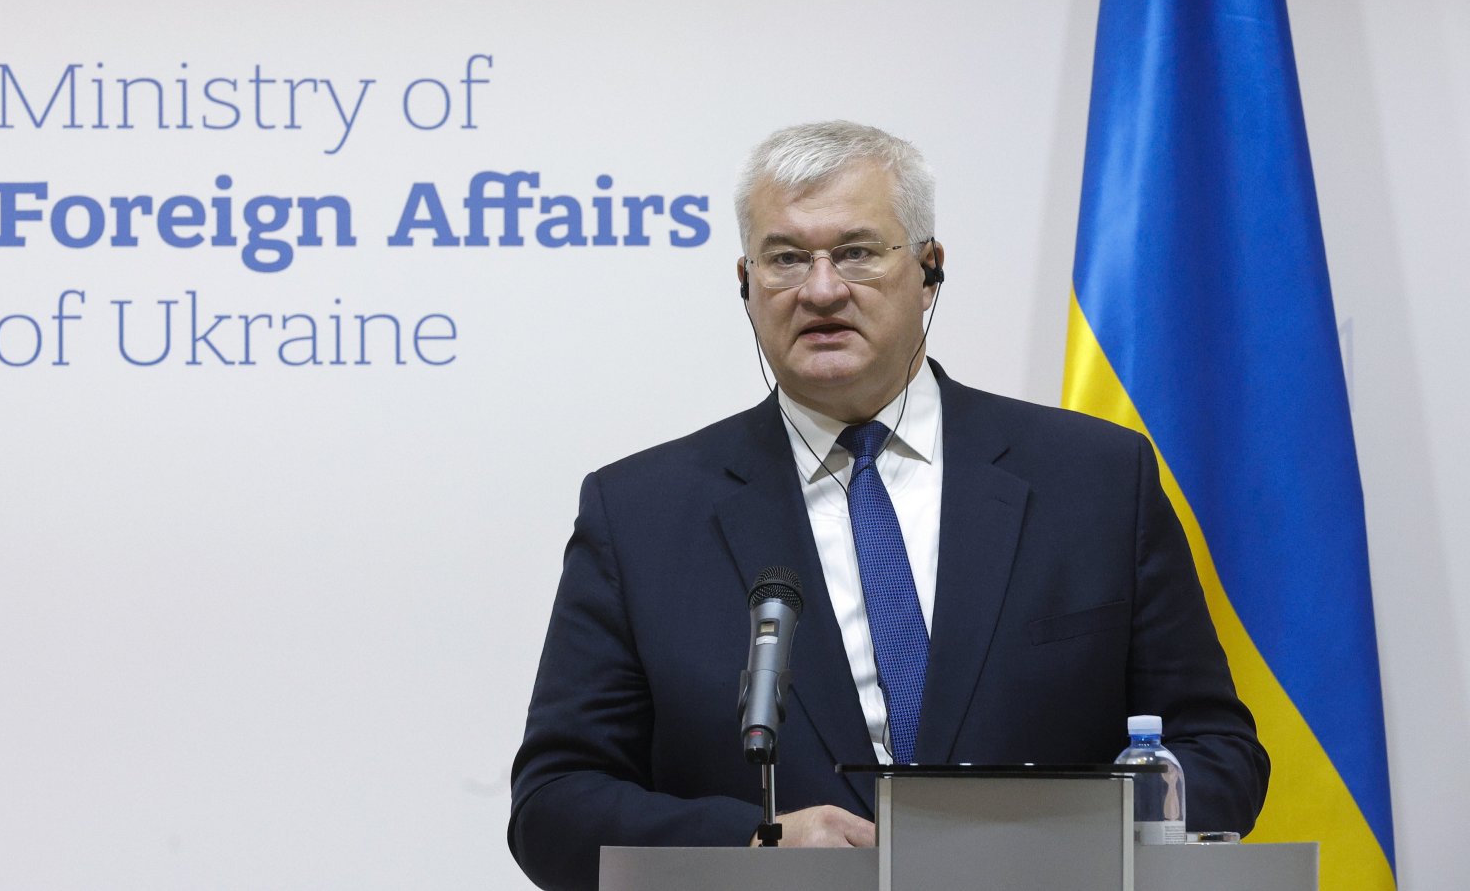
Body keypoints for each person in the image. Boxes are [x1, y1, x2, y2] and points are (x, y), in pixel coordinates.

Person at [508, 121, 1269, 891]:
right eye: (785, 259)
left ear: (930, 270)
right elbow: (553, 806)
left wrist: (1054, 836)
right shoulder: (641, 514)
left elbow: (1218, 752)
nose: (822, 288)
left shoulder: (1097, 480)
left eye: (859, 252)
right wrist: (753, 841)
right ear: (745, 283)